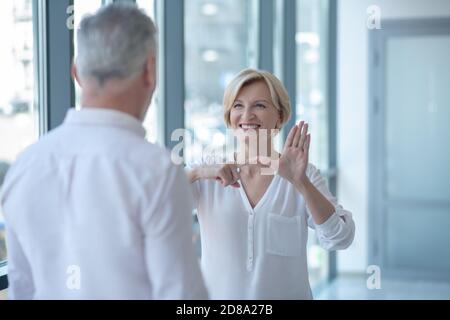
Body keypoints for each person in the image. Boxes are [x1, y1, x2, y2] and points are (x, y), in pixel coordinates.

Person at [0, 3, 207, 300]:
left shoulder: (25, 167)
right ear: (149, 71)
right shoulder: (157, 171)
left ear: (77, 74)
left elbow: (23, 290)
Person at [187, 68, 355, 299]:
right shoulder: (206, 171)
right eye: (238, 105)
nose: (247, 115)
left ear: (280, 115)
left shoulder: (304, 175)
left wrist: (301, 183)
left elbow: (340, 237)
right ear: (228, 115)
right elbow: (158, 202)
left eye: (260, 105)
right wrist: (198, 172)